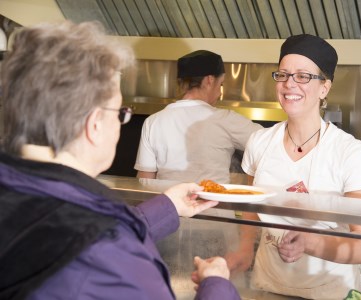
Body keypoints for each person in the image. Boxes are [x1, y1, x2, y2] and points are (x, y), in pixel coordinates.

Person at [0, 21, 240, 300]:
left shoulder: (18, 191)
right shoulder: (110, 260)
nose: (122, 121)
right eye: (120, 111)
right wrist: (217, 284)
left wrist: (168, 206)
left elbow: (68, 224)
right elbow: (98, 242)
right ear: (94, 125)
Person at [227, 34, 361, 299]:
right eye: (283, 74)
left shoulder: (350, 152)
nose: (289, 84)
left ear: (324, 87)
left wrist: (310, 242)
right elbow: (251, 206)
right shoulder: (259, 142)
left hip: (329, 288)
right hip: (268, 283)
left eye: (303, 76)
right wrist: (244, 248)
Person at [134, 50, 262, 184]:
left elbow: (145, 180)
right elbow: (270, 144)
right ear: (209, 80)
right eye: (221, 84)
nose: (219, 93)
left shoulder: (153, 122)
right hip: (214, 203)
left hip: (168, 203)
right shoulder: (226, 119)